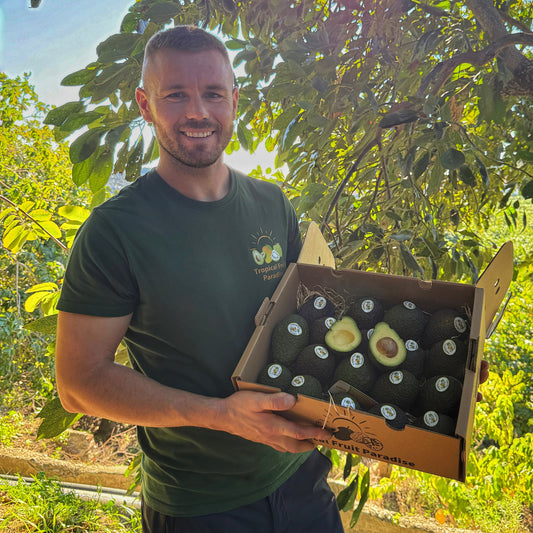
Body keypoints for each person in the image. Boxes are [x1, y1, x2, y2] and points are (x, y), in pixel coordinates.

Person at [55, 25, 344, 533]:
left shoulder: (272, 203)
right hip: (201, 505)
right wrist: (221, 415)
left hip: (302, 480)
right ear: (146, 105)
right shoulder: (114, 232)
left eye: (212, 93)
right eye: (175, 96)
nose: (197, 112)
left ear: (234, 100)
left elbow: (315, 314)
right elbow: (78, 385)